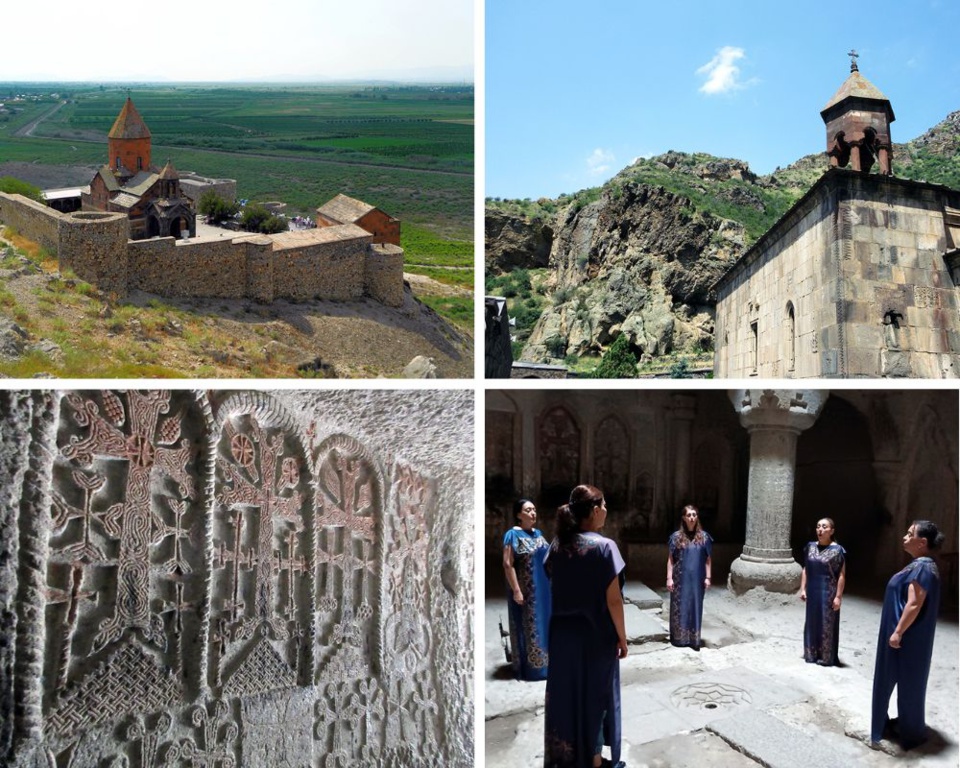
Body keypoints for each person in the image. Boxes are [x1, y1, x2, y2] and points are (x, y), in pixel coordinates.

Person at [544, 485, 627, 768]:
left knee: (568, 696)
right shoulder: (604, 547)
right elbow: (614, 601)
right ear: (594, 510)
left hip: (562, 635)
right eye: (603, 506)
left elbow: (551, 578)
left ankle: (566, 755)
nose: (605, 511)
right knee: (596, 697)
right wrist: (623, 639)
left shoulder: (557, 544)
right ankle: (593, 760)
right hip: (595, 637)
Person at [871, 520, 944, 749]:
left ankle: (893, 731)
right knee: (909, 680)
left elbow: (914, 604)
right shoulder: (922, 565)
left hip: (903, 638)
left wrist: (898, 632)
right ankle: (906, 726)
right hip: (905, 636)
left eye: (909, 534)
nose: (904, 536)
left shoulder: (922, 567)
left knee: (892, 679)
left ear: (922, 543)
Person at [502, 498, 551, 680]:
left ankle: (547, 665)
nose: (533, 513)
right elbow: (508, 564)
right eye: (528, 510)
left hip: (543, 590)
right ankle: (533, 669)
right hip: (527, 592)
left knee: (545, 625)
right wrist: (516, 589)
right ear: (518, 515)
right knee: (530, 627)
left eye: (534, 510)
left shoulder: (538, 534)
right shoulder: (512, 535)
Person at [799, 518, 846, 665]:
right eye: (818, 526)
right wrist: (803, 589)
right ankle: (811, 654)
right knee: (812, 622)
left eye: (824, 527)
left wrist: (838, 596)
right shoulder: (810, 547)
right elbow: (805, 568)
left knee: (827, 623)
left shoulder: (838, 550)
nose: (820, 529)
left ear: (831, 531)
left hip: (828, 592)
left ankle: (826, 657)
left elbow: (841, 575)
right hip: (813, 591)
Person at [666, 505, 712, 650]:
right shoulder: (676, 537)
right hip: (680, 579)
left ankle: (693, 639)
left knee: (695, 606)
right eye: (689, 515)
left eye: (694, 515)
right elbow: (671, 559)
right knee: (681, 607)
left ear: (697, 517)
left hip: (698, 579)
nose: (692, 518)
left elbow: (708, 559)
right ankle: (679, 638)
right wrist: (669, 578)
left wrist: (708, 577)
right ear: (684, 518)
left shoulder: (704, 537)